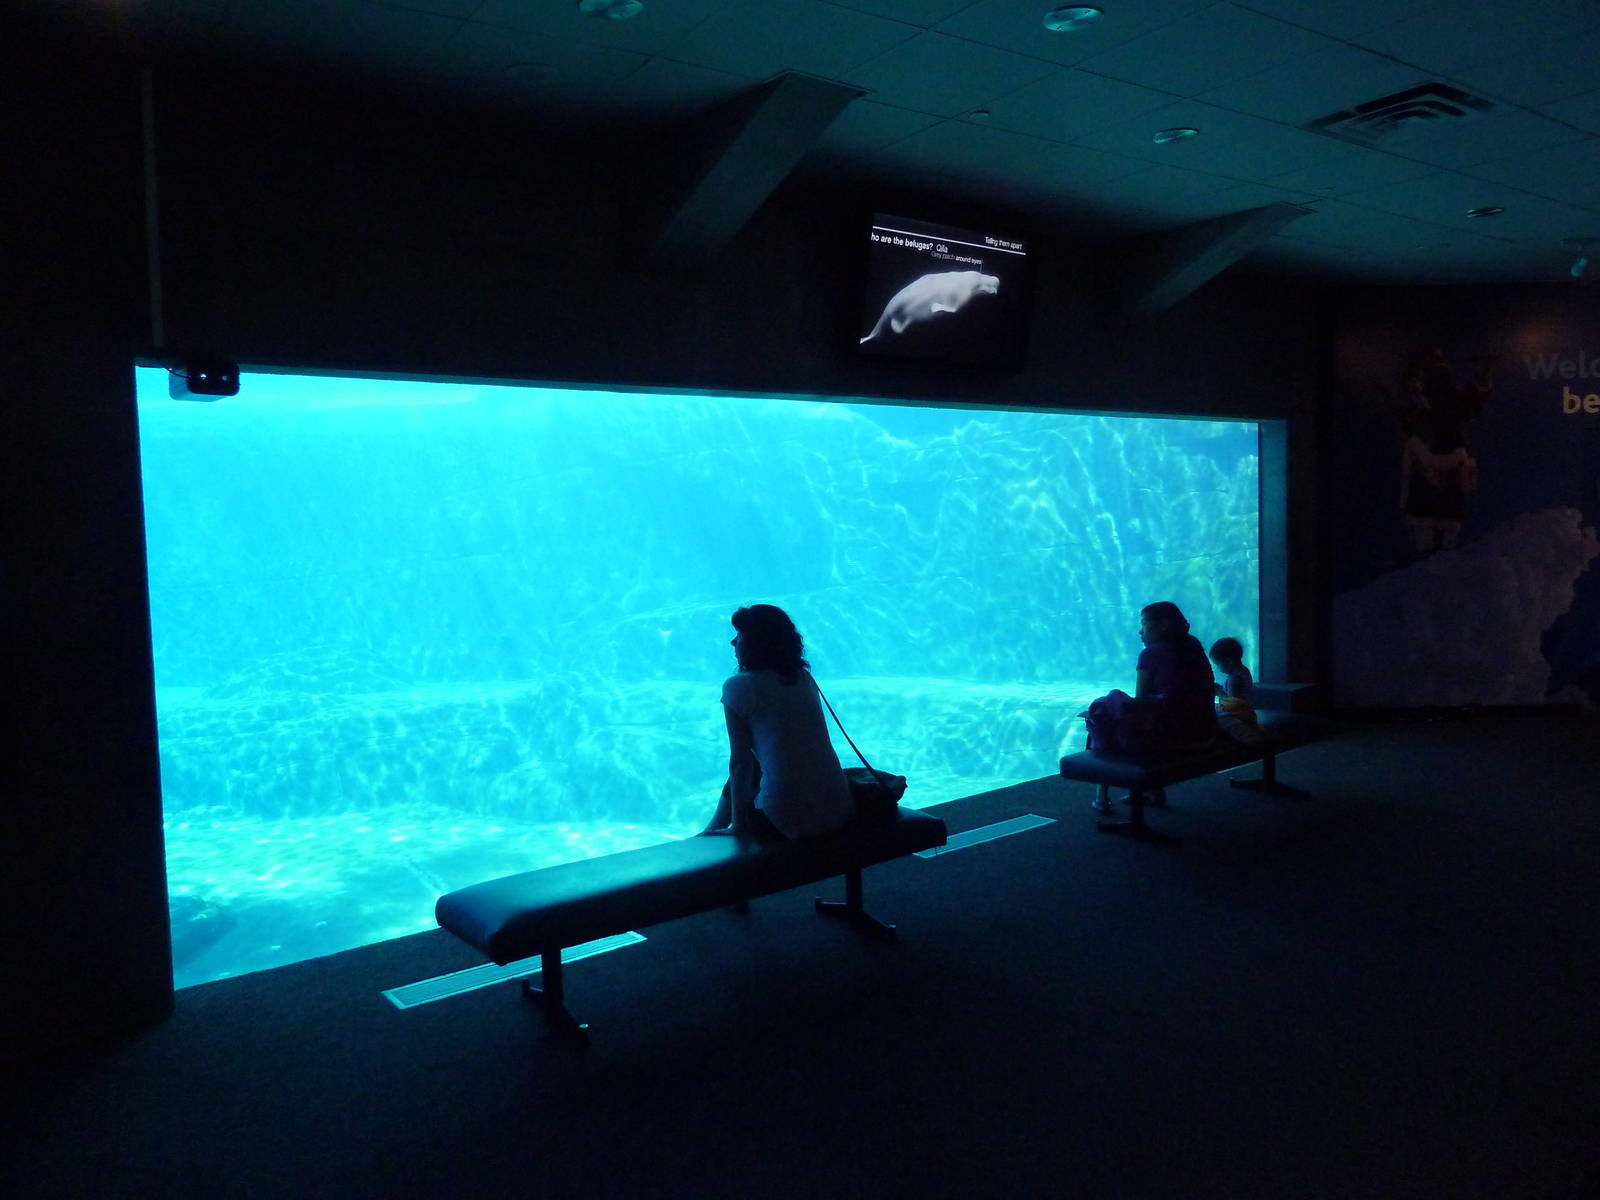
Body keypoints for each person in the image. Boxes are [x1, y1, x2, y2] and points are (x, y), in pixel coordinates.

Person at [698, 604, 854, 840]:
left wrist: (739, 826)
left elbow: (739, 763)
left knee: (746, 764)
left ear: (754, 642)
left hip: (785, 821)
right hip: (840, 810)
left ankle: (712, 832)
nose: (733, 642)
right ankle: (710, 830)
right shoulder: (802, 677)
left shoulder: (739, 686)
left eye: (740, 635)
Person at [1089, 601, 1219, 814]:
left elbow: (1139, 703)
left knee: (1101, 715)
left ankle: (1101, 797)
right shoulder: (1193, 645)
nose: (1140, 631)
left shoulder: (1150, 654)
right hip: (1205, 732)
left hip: (1175, 740)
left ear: (1164, 625)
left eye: (1145, 624)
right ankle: (1149, 790)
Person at [1209, 636, 1262, 744]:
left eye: (1217, 664)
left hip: (1239, 716)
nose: (1217, 668)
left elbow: (1233, 704)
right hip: (1246, 712)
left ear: (1229, 661)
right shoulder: (1244, 671)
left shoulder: (1234, 678)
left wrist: (1219, 691)